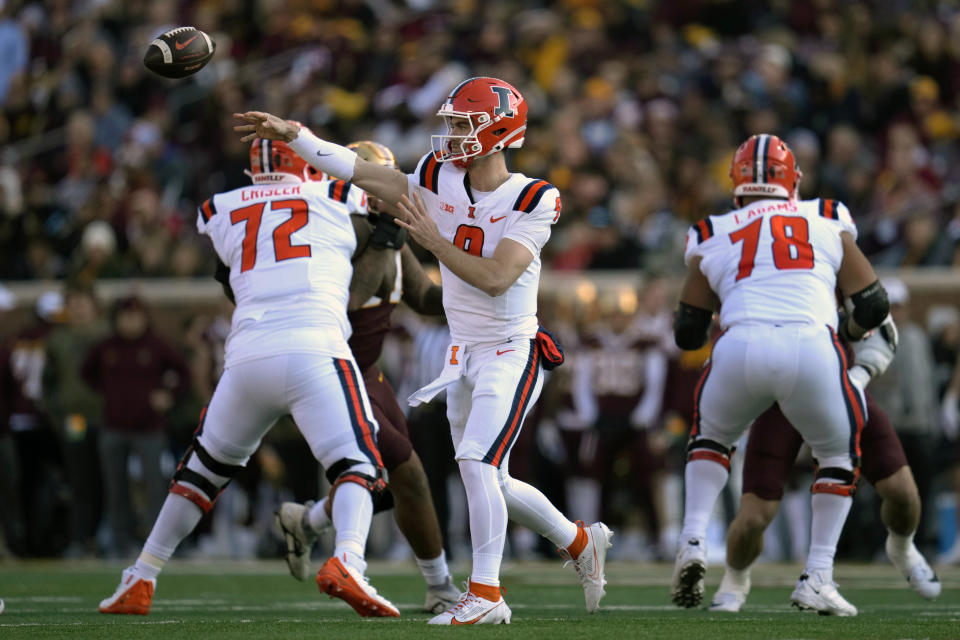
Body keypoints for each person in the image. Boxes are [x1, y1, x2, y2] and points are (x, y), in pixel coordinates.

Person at [235, 76, 613, 625]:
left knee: (477, 462)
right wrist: (295, 135)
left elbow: (496, 278)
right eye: (453, 122)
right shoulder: (438, 177)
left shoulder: (534, 196)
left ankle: (486, 594)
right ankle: (580, 543)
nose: (452, 134)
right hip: (463, 353)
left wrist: (435, 242)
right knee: (494, 478)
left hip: (514, 349)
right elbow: (363, 171)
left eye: (464, 124)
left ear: (499, 130)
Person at [98, 135, 399, 617]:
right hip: (315, 347)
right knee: (359, 465)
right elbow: (385, 208)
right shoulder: (339, 194)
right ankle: (348, 559)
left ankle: (141, 575)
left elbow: (230, 278)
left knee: (201, 471)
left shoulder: (220, 206)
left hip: (247, 356)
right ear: (310, 165)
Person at [671, 133, 890, 616]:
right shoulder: (827, 215)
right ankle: (818, 575)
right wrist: (849, 327)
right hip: (812, 344)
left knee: (711, 438)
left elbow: (687, 332)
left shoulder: (712, 228)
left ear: (738, 181)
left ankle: (691, 541)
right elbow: (873, 302)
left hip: (740, 345)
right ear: (794, 181)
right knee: (836, 454)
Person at [269, 140, 460, 613]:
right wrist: (383, 240)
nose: (388, 196)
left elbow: (426, 300)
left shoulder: (388, 234)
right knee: (405, 474)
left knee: (406, 480)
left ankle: (309, 521)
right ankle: (435, 586)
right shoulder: (338, 229)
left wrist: (472, 278)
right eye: (377, 184)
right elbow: (346, 304)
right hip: (330, 364)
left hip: (366, 372)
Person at [708, 321, 941, 612]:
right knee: (755, 515)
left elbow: (878, 319)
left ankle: (902, 549)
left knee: (903, 492)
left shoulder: (838, 274)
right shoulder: (755, 280)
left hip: (837, 384)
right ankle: (735, 579)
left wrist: (859, 375)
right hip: (778, 395)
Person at [82, 295, 191, 557]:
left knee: (157, 487)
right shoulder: (106, 347)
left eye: (135, 316)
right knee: (116, 487)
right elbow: (86, 373)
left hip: (150, 429)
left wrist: (168, 396)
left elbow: (183, 374)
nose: (130, 321)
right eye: (125, 316)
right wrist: (110, 394)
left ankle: (158, 546)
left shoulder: (156, 346)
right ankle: (122, 542)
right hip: (114, 427)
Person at [42, 283, 108, 557]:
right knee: (79, 479)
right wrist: (56, 415)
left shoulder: (107, 336)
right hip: (75, 420)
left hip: (107, 418)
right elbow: (48, 384)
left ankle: (104, 536)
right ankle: (80, 539)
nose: (79, 307)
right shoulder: (58, 340)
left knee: (107, 479)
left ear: (94, 305)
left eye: (84, 301)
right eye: (74, 302)